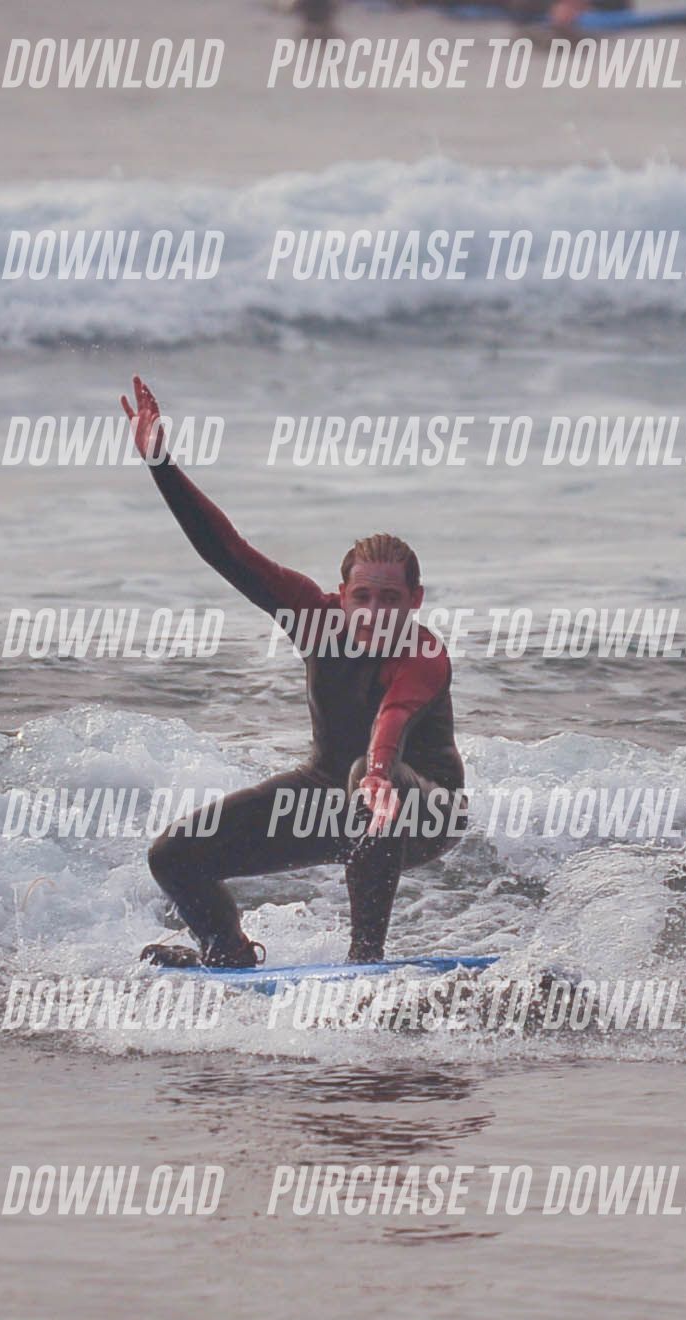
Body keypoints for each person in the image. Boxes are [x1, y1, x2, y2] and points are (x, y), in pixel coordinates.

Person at [121, 377, 465, 967]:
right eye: (362, 597)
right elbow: (227, 552)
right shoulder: (312, 617)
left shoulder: (423, 655)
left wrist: (378, 775)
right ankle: (227, 951)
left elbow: (393, 717)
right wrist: (161, 465)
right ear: (342, 595)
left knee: (367, 779)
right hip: (329, 796)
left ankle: (365, 961)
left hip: (424, 808)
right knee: (175, 856)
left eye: (390, 599)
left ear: (415, 600)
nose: (375, 612)